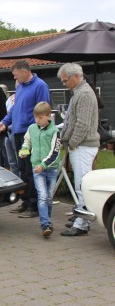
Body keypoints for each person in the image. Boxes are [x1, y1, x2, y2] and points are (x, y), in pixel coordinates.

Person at [0, 60, 50, 218]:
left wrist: (35, 132)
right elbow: (15, 109)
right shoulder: (20, 87)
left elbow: (43, 111)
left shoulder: (40, 86)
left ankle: (34, 205)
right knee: (23, 169)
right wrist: (5, 122)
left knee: (32, 170)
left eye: (15, 74)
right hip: (18, 134)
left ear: (25, 72)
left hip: (31, 135)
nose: (14, 77)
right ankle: (25, 201)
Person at [57, 63, 100, 236]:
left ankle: (82, 223)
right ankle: (79, 218)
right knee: (79, 185)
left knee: (82, 186)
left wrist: (72, 142)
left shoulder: (85, 94)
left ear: (75, 76)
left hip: (83, 146)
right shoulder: (80, 93)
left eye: (65, 80)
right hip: (79, 146)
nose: (64, 84)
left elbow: (83, 124)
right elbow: (73, 121)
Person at [18, 102, 61, 237]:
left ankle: (47, 221)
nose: (37, 120)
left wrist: (44, 164)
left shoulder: (55, 131)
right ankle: (45, 225)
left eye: (40, 118)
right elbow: (27, 142)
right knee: (42, 197)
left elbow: (55, 152)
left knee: (48, 198)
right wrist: (24, 149)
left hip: (51, 169)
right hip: (37, 170)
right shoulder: (32, 128)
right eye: (36, 117)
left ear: (48, 116)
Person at [2, 83, 20, 177]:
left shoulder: (22, 99)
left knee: (19, 160)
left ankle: (22, 184)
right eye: (16, 86)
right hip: (8, 131)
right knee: (11, 161)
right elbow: (7, 112)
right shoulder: (11, 98)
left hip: (17, 131)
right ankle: (15, 183)